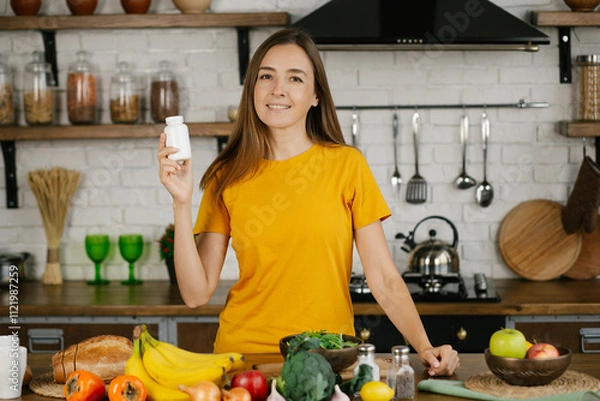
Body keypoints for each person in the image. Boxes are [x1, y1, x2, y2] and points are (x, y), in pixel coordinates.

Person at [158, 27, 459, 376]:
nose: (277, 89)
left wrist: (424, 346)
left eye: (295, 79)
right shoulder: (228, 174)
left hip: (328, 359)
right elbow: (196, 294)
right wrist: (180, 203)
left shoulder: (347, 166)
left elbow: (383, 278)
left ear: (316, 95)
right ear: (252, 89)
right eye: (266, 76)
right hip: (245, 361)